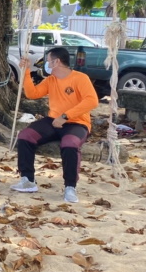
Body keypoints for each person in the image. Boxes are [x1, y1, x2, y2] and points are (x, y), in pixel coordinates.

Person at [12, 47, 99, 203]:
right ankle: (27, 180)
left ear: (56, 61)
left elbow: (92, 101)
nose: (46, 63)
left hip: (77, 123)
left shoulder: (80, 78)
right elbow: (32, 94)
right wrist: (25, 72)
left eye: (48, 60)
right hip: (53, 121)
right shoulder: (51, 80)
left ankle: (70, 187)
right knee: (25, 136)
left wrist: (66, 116)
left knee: (70, 144)